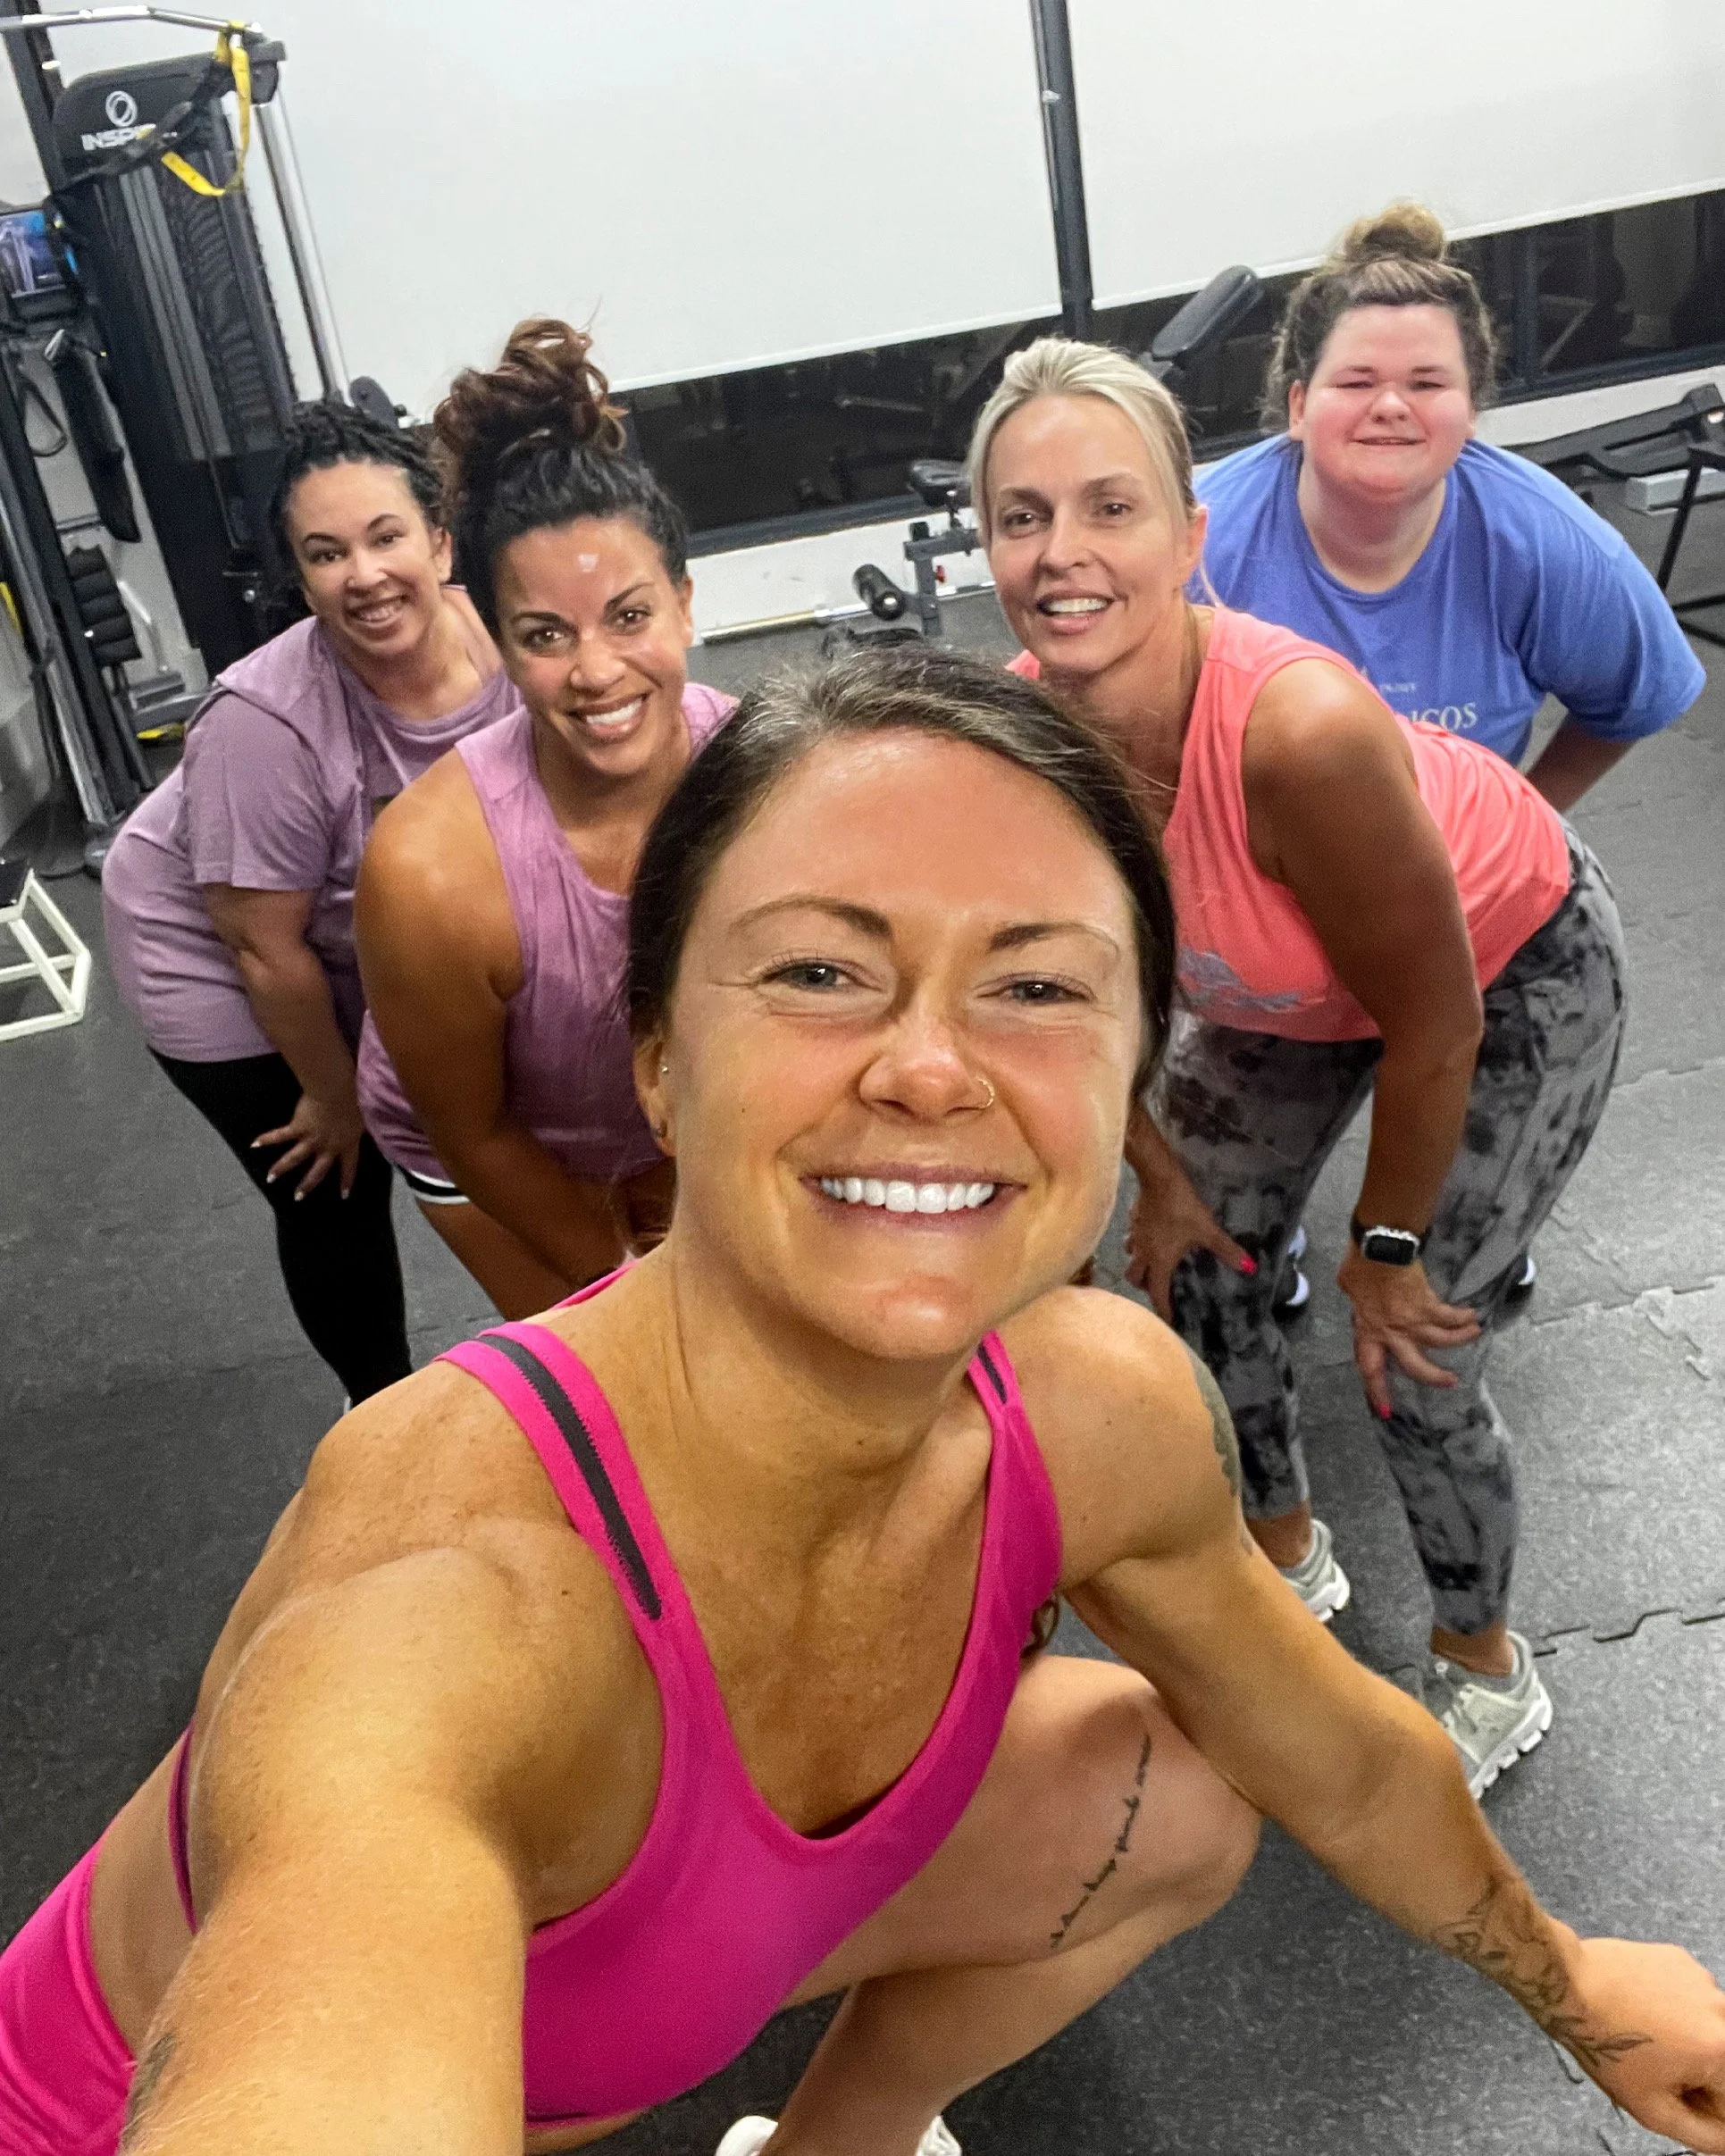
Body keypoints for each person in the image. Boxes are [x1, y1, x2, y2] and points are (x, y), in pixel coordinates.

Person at [6, 647, 1723, 2156]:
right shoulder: (444, 1597)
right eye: (822, 971)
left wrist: (1568, 1976)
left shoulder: (1094, 1401)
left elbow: (1338, 1758)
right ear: (662, 1059)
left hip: (631, 1982)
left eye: (1038, 984)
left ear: (1133, 1077)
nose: (928, 1063)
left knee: (1183, 1785)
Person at [973, 337, 1627, 1790]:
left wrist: (1387, 1250)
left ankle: (1482, 1664)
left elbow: (1437, 1022)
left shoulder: (1299, 731)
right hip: (1278, 986)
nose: (1063, 553)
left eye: (1109, 507)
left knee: (1407, 1357)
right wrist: (1154, 1178)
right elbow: (1083, 988)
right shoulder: (1025, 736)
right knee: (1195, 1263)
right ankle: (1283, 1554)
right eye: (1023, 516)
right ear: (986, 543)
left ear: (1190, 536)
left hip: (1506, 976)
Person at [1196, 203, 1704, 1314]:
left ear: (1471, 409)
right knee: (1209, 1230)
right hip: (1274, 905)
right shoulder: (1207, 539)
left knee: (1451, 1250)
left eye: (1427, 382)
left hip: (1465, 903)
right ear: (1294, 405)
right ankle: (1264, 1236)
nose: (1389, 405)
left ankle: (1460, 1228)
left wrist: (1520, 805)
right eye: (1353, 381)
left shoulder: (1539, 537)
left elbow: (1637, 693)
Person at [101, 403, 519, 1403]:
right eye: (326, 554)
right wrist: (333, 1099)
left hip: (356, 926)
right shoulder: (264, 724)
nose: (365, 575)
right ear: (299, 578)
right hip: (213, 952)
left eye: (385, 537)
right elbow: (264, 951)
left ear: (440, 541)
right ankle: (376, 1415)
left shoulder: (504, 642)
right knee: (333, 1186)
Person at [354, 321, 734, 1321]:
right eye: (545, 635)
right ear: (497, 639)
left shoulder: (759, 772)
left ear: (685, 606)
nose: (598, 670)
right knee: (630, 1369)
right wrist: (644, 1294)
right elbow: (474, 1133)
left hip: (648, 1110)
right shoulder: (430, 872)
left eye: (629, 615)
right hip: (486, 1139)